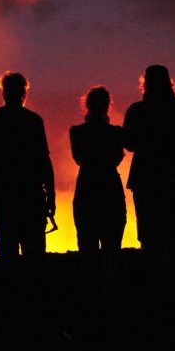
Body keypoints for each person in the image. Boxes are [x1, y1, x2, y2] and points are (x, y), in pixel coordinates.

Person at [0, 71, 56, 258]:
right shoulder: (33, 121)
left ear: (3, 93)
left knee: (7, 256)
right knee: (34, 257)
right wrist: (51, 194)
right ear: (24, 93)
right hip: (32, 201)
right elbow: (44, 161)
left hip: (5, 203)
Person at [123, 65, 175, 253]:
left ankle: (154, 279)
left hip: (146, 183)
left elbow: (129, 143)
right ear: (169, 82)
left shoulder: (137, 111)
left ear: (145, 84)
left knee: (150, 238)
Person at [70, 86, 126, 252]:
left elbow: (77, 159)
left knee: (87, 251)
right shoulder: (116, 133)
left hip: (86, 192)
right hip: (111, 192)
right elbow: (117, 159)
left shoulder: (76, 132)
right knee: (112, 250)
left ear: (87, 106)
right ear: (107, 106)